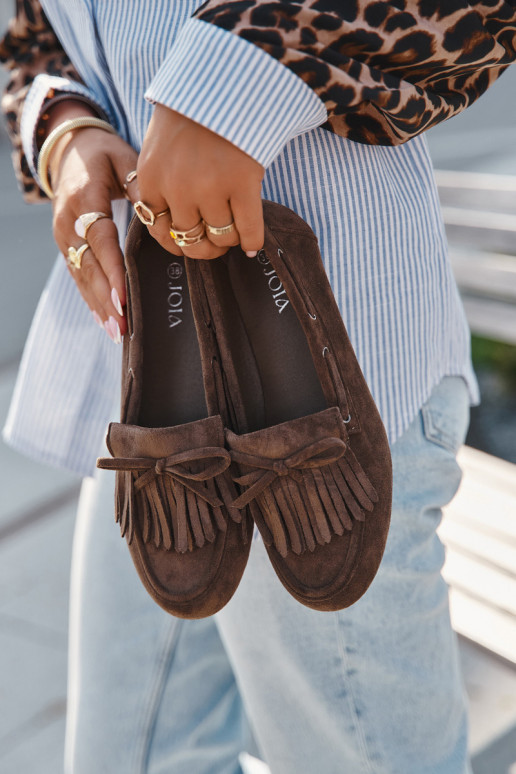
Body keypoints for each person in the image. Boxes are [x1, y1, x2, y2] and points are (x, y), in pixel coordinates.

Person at [2, 2, 515, 772]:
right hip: (152, 400)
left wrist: (234, 86)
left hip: (332, 389)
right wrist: (65, 130)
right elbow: (35, 34)